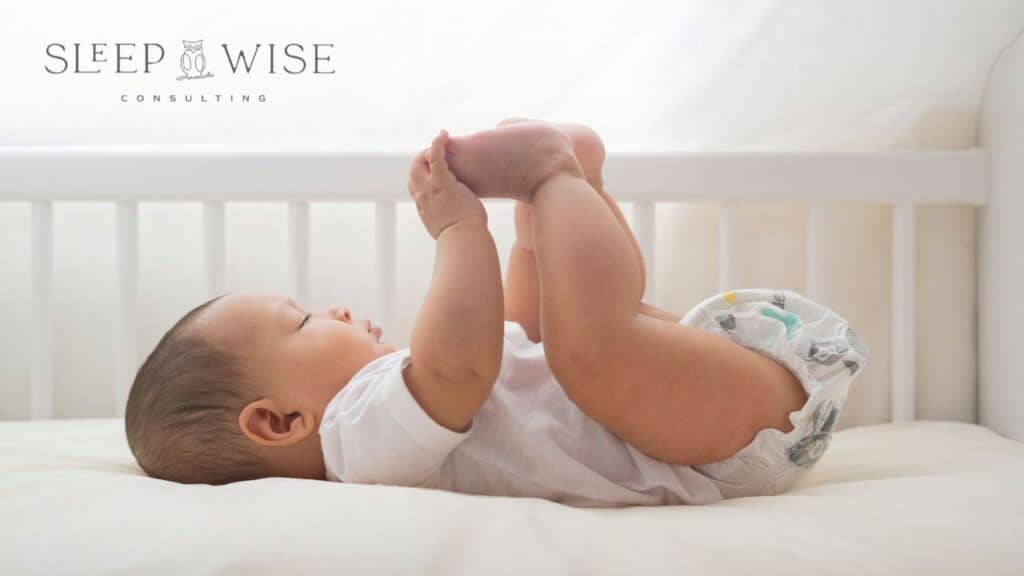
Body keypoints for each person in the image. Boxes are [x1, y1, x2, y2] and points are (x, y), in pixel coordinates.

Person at [125, 119, 868, 506]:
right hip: (710, 443)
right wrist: (457, 228)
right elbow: (464, 361)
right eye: (304, 321)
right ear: (281, 421)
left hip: (703, 412)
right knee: (592, 353)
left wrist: (522, 247)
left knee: (562, 335)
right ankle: (554, 176)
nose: (337, 309)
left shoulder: (392, 420)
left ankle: (564, 191)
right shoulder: (356, 445)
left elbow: (511, 340)